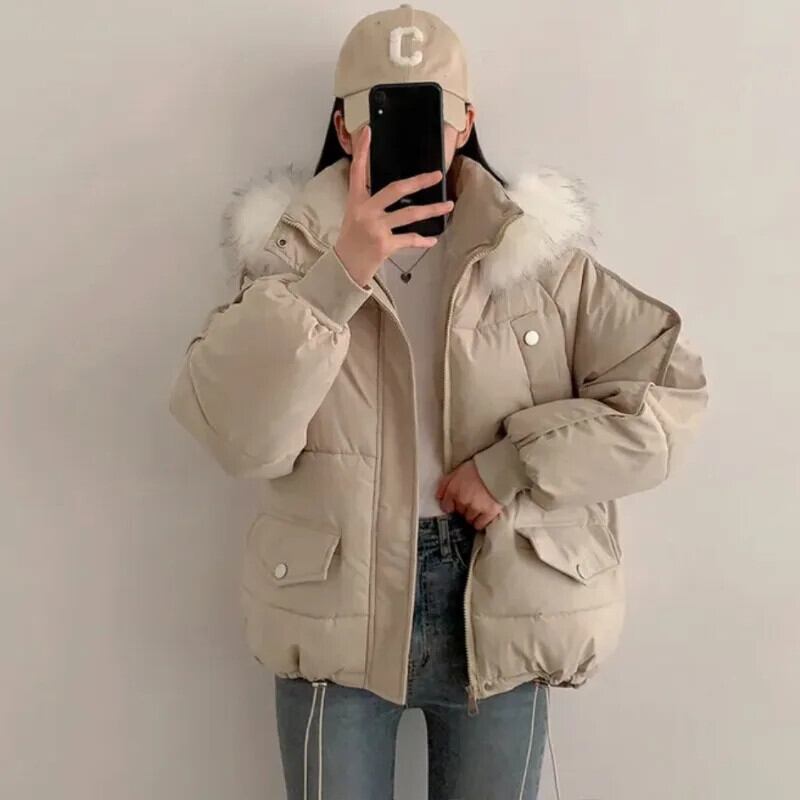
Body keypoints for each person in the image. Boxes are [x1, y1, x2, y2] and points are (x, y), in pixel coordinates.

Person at [168, 4, 710, 799]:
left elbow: (669, 393)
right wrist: (341, 270)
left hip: (502, 596)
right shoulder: (289, 257)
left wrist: (514, 465)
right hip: (336, 601)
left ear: (467, 123)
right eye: (383, 113)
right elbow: (237, 435)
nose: (413, 136)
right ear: (344, 127)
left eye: (434, 114)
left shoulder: (537, 260)